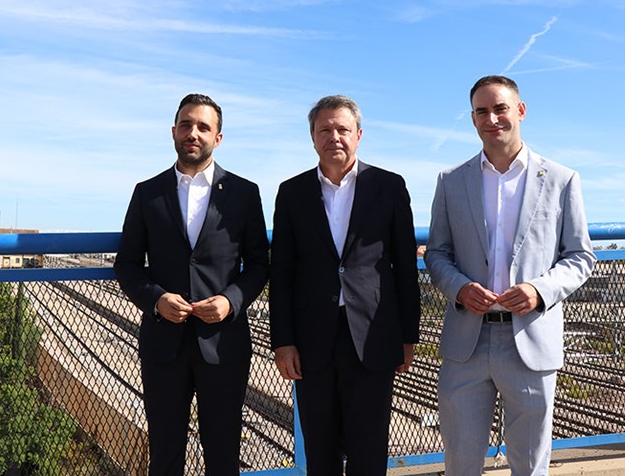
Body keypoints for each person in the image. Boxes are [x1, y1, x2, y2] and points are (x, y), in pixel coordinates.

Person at [424, 75, 596, 476]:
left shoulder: (561, 179)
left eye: (500, 108)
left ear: (520, 111)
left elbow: (580, 256)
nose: (492, 119)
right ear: (472, 119)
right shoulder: (451, 181)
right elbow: (437, 252)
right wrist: (460, 288)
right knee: (460, 463)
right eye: (482, 111)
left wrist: (539, 290)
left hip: (531, 340)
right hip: (466, 343)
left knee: (531, 465)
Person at [114, 93, 270, 476]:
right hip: (163, 344)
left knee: (223, 455)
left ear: (218, 137)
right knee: (165, 455)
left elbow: (259, 266)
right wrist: (156, 299)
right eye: (186, 125)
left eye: (203, 127)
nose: (193, 133)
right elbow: (127, 265)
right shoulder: (147, 192)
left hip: (224, 344)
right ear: (173, 132)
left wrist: (230, 301)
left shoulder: (244, 193)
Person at [269, 95, 420, 475]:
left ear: (358, 135)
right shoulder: (292, 192)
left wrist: (408, 337)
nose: (333, 137)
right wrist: (283, 341)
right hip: (311, 340)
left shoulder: (388, 186)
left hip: (373, 336)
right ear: (312, 138)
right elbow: (282, 271)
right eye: (324, 130)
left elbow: (405, 267)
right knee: (319, 451)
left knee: (369, 450)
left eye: (342, 129)